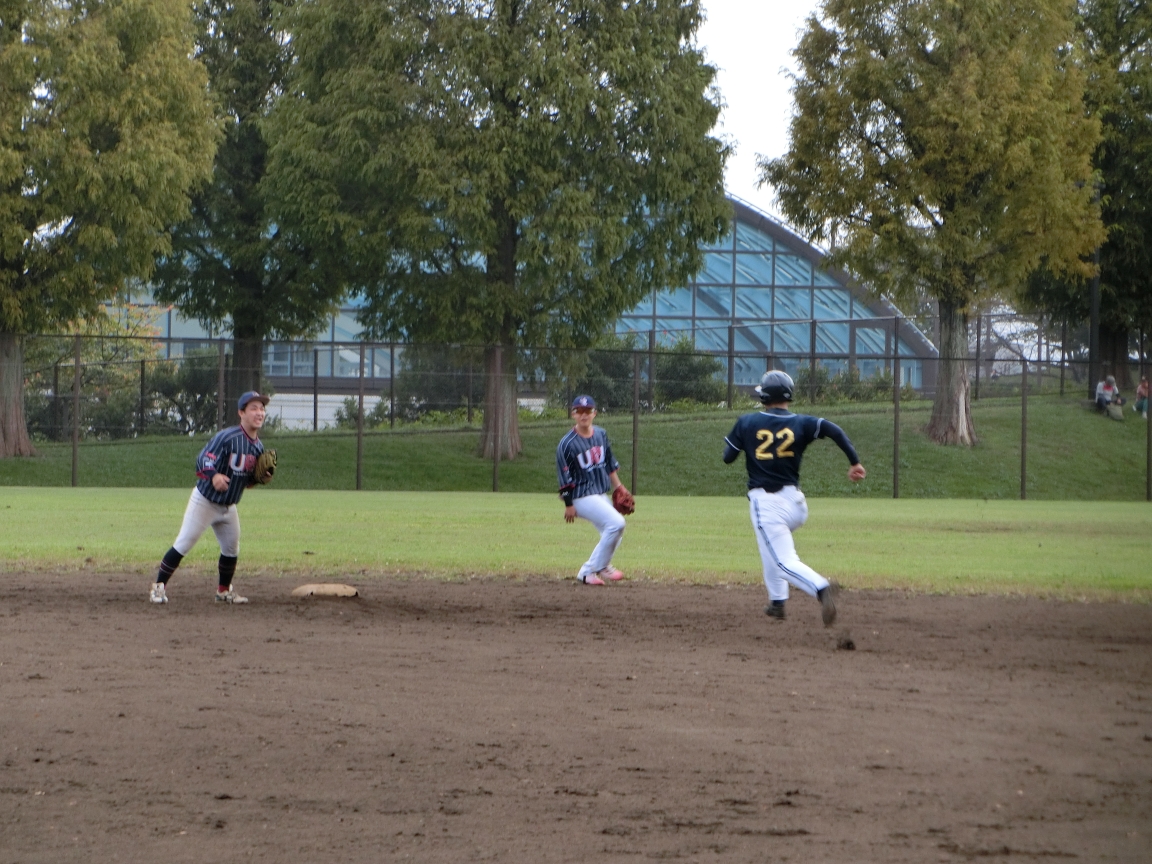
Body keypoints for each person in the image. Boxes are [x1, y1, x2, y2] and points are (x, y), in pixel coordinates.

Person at [723, 370, 866, 625]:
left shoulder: (747, 422)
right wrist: (854, 462)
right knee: (769, 547)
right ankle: (777, 602)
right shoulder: (802, 422)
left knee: (783, 561)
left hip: (768, 504)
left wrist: (746, 441)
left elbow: (727, 457)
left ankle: (821, 589)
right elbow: (834, 430)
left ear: (764, 397)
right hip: (796, 504)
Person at [149, 391, 270, 604]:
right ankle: (158, 588)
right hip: (205, 501)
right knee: (184, 543)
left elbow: (246, 481)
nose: (259, 413)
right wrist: (214, 476)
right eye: (253, 408)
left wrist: (260, 478)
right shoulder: (227, 437)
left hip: (228, 506)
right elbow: (203, 459)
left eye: (262, 409)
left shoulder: (258, 447)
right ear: (241, 413)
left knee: (231, 548)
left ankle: (223, 592)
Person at [556, 395, 630, 586]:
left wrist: (619, 487)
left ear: (594, 413)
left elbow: (609, 464)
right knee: (616, 523)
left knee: (614, 533)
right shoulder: (566, 444)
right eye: (579, 411)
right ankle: (596, 567)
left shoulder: (601, 435)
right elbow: (564, 478)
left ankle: (592, 570)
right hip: (579, 496)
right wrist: (569, 504)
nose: (584, 415)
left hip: (598, 493)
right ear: (573, 414)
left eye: (587, 411)